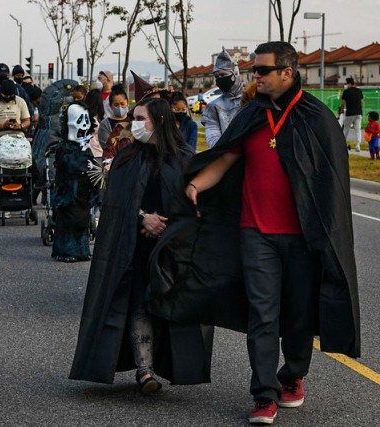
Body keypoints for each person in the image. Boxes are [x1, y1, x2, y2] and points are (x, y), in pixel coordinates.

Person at [182, 41, 359, 425]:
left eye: (262, 70)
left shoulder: (316, 118)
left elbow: (330, 184)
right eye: (254, 71)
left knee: (298, 314)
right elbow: (226, 158)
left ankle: (292, 375)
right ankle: (264, 395)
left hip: (302, 237)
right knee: (263, 314)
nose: (255, 77)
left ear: (287, 73)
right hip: (255, 233)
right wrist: (197, 184)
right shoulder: (250, 115)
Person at [69, 97, 211, 394]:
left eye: (140, 118)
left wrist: (168, 226)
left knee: (168, 306)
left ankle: (162, 364)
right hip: (133, 246)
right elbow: (115, 205)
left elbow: (195, 205)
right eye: (133, 117)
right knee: (136, 304)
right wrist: (143, 219)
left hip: (172, 249)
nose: (134, 124)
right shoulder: (126, 159)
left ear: (158, 121)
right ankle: (145, 371)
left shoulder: (184, 158)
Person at [51, 103, 99, 263]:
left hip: (83, 190)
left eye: (86, 120)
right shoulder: (64, 148)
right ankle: (65, 250)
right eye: (79, 120)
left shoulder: (86, 148)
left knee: (82, 220)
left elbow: (91, 166)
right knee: (69, 220)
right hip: (68, 191)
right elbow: (66, 165)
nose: (84, 125)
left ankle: (82, 249)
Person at [202, 48, 244, 149]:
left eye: (223, 75)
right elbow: (213, 138)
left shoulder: (251, 99)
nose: (220, 78)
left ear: (235, 74)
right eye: (217, 76)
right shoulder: (213, 107)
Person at [341, 77, 364, 152]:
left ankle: (343, 144)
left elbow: (343, 102)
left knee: (346, 129)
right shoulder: (359, 91)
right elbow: (362, 101)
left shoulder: (346, 92)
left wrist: (341, 110)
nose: (346, 85)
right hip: (358, 113)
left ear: (349, 83)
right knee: (358, 130)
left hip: (350, 113)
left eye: (347, 84)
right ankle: (358, 146)